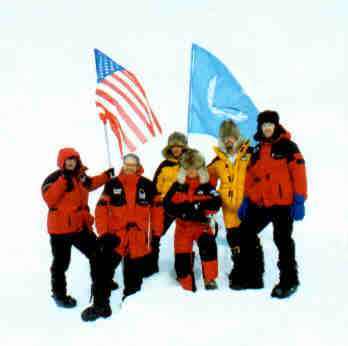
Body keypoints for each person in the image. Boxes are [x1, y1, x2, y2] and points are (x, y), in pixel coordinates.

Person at [81, 154, 163, 321]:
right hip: (115, 236)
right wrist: (103, 234)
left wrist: (156, 233)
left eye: (133, 165)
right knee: (103, 271)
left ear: (138, 166)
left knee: (134, 276)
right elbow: (101, 209)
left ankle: (131, 307)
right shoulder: (112, 184)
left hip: (138, 237)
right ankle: (100, 306)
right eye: (127, 164)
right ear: (123, 165)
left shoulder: (147, 185)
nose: (129, 167)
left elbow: (157, 210)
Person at [237, 110, 307, 298]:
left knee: (282, 240)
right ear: (260, 127)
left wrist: (299, 200)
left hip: (283, 204)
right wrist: (246, 199)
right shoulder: (258, 150)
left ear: (276, 126)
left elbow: (299, 173)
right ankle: (253, 276)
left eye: (270, 124)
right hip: (262, 203)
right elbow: (250, 177)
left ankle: (289, 280)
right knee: (245, 232)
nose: (267, 128)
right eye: (264, 125)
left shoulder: (288, 147)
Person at [41, 147, 114, 308]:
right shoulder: (53, 179)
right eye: (68, 160)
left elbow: (91, 184)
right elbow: (50, 200)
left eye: (73, 159)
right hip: (60, 230)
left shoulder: (80, 176)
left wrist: (106, 176)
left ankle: (102, 283)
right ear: (62, 162)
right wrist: (63, 181)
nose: (71, 162)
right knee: (61, 263)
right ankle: (59, 295)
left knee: (97, 253)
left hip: (80, 227)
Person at [164, 149, 222, 291]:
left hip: (201, 226)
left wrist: (200, 210)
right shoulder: (177, 185)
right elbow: (167, 204)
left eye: (195, 168)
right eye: (188, 168)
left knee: (208, 245)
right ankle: (186, 283)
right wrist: (184, 212)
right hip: (182, 227)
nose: (191, 171)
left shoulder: (206, 186)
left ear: (200, 169)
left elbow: (216, 202)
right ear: (184, 169)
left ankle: (210, 279)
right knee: (182, 259)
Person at [207, 120, 252, 289]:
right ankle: (238, 273)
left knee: (248, 239)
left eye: (231, 137)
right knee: (234, 240)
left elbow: (259, 176)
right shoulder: (218, 160)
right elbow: (207, 179)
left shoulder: (248, 155)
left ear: (237, 137)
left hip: (247, 205)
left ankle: (250, 274)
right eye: (225, 138)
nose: (228, 141)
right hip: (228, 207)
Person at [142, 132, 189, 277]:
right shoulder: (164, 166)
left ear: (184, 148)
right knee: (155, 235)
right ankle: (151, 267)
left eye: (179, 146)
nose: (176, 149)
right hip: (165, 205)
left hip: (184, 205)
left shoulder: (190, 164)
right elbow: (154, 187)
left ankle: (185, 269)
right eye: (173, 146)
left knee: (186, 236)